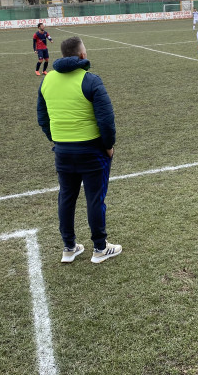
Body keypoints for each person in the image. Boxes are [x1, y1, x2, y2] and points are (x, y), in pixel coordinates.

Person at [37, 36, 121, 264]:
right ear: (81, 55)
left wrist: (57, 141)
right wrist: (108, 146)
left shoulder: (47, 80)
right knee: (95, 199)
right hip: (92, 150)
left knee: (66, 197)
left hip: (63, 151)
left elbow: (42, 118)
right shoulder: (91, 80)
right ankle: (100, 248)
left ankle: (69, 247)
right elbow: (106, 121)